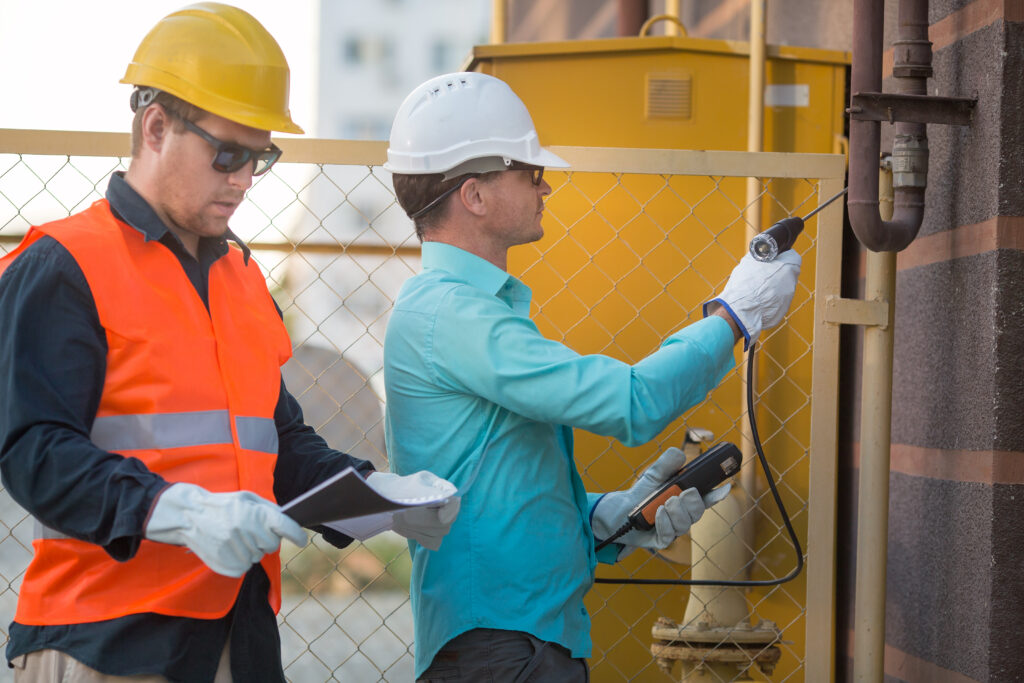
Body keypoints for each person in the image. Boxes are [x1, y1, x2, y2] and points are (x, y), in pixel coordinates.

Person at [0, 4, 457, 682]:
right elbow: (32, 450)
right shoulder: (64, 265)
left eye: (261, 157)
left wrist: (372, 496)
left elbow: (281, 443)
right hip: (105, 641)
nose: (244, 179)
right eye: (228, 154)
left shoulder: (242, 278)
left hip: (238, 638)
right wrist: (174, 510)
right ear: (155, 128)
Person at [382, 72, 803, 681]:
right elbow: (630, 403)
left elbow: (497, 494)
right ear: (473, 195)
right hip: (503, 650)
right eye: (529, 173)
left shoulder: (457, 311)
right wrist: (734, 316)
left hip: (511, 644)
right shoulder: (450, 313)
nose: (544, 184)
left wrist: (607, 518)